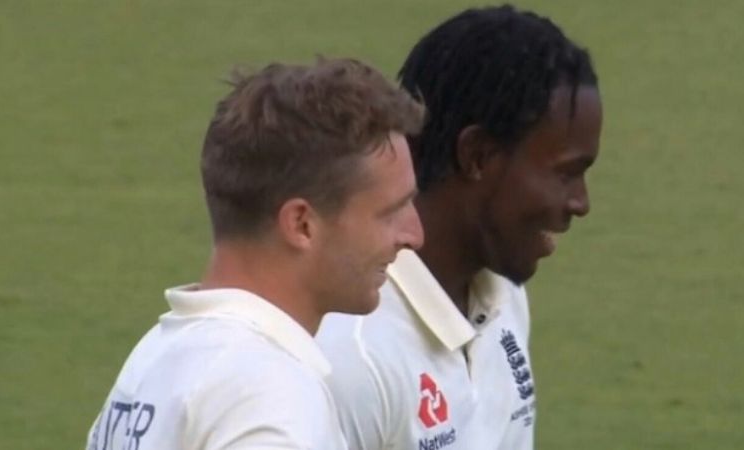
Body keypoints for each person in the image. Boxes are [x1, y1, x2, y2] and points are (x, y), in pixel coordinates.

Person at [86, 57, 425, 450]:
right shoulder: (268, 400)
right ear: (302, 225)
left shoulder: (155, 359)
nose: (414, 235)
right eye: (390, 212)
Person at [316, 6, 603, 450]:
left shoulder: (502, 297)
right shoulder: (355, 354)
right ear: (478, 156)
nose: (581, 203)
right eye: (566, 173)